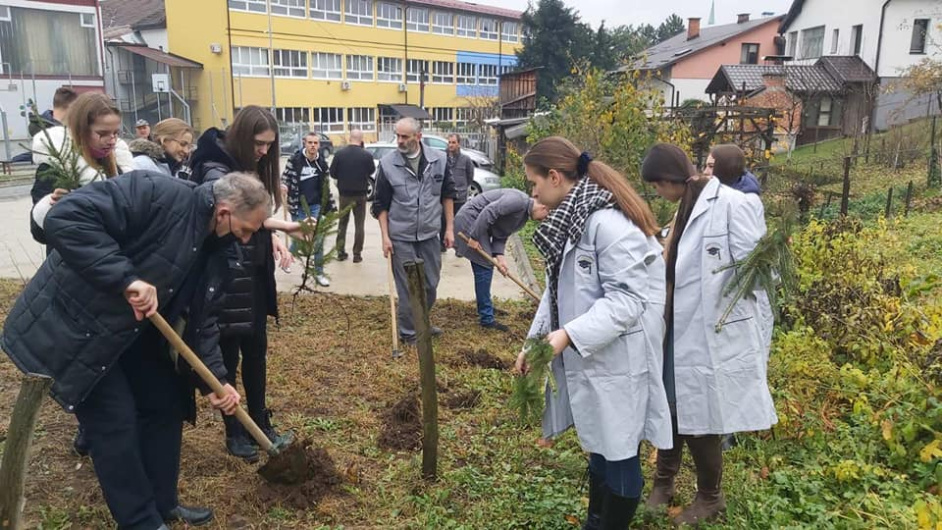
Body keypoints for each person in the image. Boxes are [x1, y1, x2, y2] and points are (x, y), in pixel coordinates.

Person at [1, 171, 271, 530]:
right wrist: (126, 278)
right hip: (80, 328)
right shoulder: (154, 191)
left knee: (166, 404)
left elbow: (202, 321)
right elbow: (64, 218)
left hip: (131, 334)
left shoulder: (220, 250)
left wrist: (217, 382)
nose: (248, 238)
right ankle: (140, 522)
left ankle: (162, 505)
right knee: (116, 421)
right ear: (223, 213)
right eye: (246, 229)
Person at [516, 136, 673, 530]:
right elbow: (554, 291)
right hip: (595, 354)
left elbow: (627, 302)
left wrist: (567, 335)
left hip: (621, 359)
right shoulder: (574, 219)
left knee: (619, 452)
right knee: (601, 447)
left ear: (554, 177)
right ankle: (597, 520)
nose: (532, 191)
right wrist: (533, 344)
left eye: (533, 182)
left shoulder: (606, 223)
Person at [641, 143, 777, 526]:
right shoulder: (683, 207)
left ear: (669, 180)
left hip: (708, 333)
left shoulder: (735, 204)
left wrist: (730, 310)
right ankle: (663, 482)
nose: (656, 194)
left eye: (656, 187)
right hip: (674, 330)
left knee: (702, 418)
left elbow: (759, 269)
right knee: (668, 407)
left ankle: (710, 497)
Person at [189, 105, 294, 463]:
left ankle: (260, 421)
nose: (264, 151)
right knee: (229, 352)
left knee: (256, 352)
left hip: (255, 272)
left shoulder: (252, 166)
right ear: (243, 135)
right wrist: (273, 229)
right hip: (228, 275)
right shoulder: (215, 169)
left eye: (269, 145)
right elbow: (223, 218)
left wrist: (273, 238)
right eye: (259, 143)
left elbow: (255, 218)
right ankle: (234, 429)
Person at [372, 117, 457, 346]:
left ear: (418, 137)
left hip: (430, 234)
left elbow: (448, 195)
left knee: (429, 283)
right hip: (401, 237)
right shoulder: (388, 164)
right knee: (409, 286)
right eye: (397, 136)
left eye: (404, 137)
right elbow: (380, 204)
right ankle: (409, 332)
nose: (399, 141)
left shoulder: (439, 159)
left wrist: (449, 229)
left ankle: (422, 322)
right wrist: (385, 237)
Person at [30, 92, 135, 247]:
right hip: (74, 262)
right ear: (81, 130)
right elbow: (39, 231)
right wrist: (53, 206)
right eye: (102, 133)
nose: (112, 140)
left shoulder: (118, 165)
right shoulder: (56, 165)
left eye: (115, 133)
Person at [454, 188, 548, 331]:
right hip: (470, 219)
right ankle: (487, 319)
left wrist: (501, 258)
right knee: (484, 266)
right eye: (546, 216)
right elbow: (490, 211)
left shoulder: (523, 216)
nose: (543, 220)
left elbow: (501, 234)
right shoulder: (518, 200)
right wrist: (474, 236)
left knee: (486, 266)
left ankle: (487, 307)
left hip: (479, 224)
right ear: (543, 207)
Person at [282, 131, 330, 286]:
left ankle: (319, 272)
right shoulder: (295, 160)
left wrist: (330, 207)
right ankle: (287, 261)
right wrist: (283, 186)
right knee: (299, 237)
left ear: (319, 145)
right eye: (310, 142)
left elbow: (326, 186)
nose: (313, 146)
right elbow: (285, 177)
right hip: (297, 205)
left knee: (318, 238)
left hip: (315, 206)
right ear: (305, 143)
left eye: (315, 143)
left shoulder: (322, 163)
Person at [329, 129, 375, 263]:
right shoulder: (366, 155)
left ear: (350, 138)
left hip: (344, 195)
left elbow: (332, 173)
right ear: (361, 140)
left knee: (342, 224)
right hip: (361, 195)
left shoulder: (339, 154)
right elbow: (372, 171)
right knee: (359, 225)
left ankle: (340, 252)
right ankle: (357, 254)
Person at [130, 118, 194, 179]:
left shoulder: (174, 169)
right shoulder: (141, 164)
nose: (186, 151)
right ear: (164, 140)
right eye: (182, 144)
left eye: (189, 147)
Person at [442, 133, 475, 252]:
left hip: (460, 197)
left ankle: (459, 248)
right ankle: (443, 244)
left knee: (460, 223)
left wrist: (462, 186)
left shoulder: (465, 160)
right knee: (443, 220)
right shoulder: (442, 158)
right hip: (445, 197)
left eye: (453, 143)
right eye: (449, 142)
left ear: (458, 144)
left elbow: (470, 176)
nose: (451, 145)